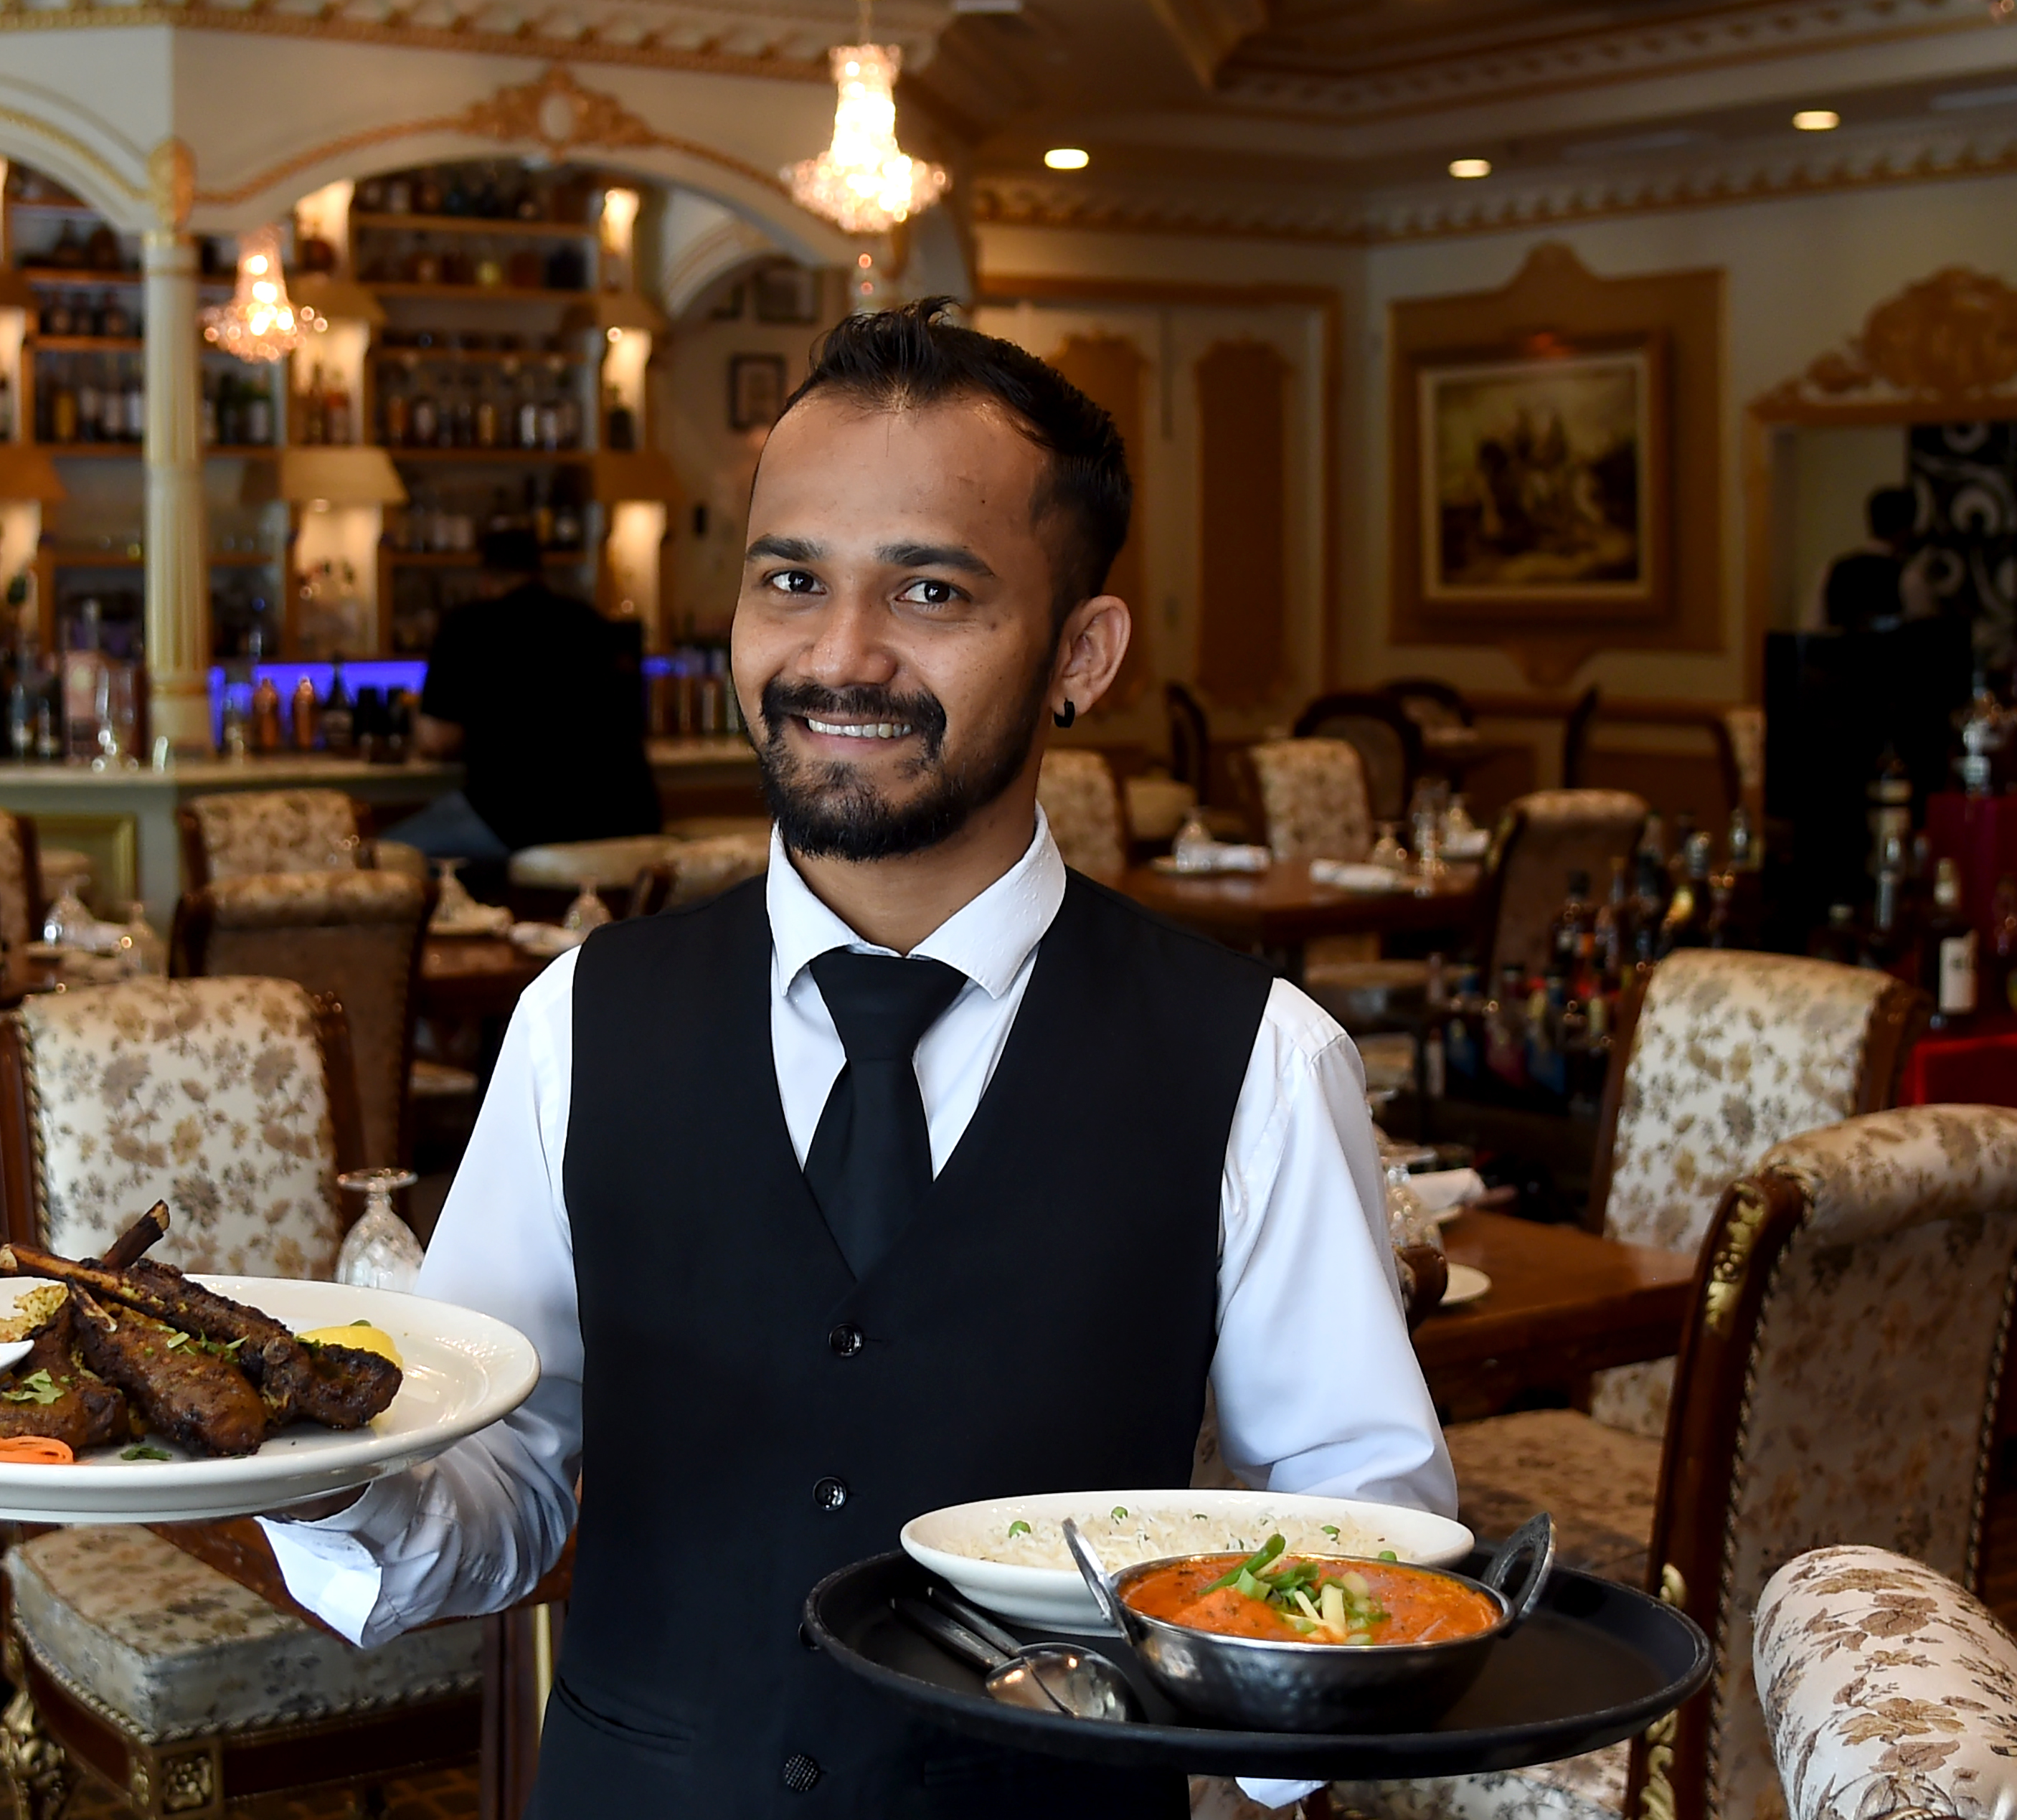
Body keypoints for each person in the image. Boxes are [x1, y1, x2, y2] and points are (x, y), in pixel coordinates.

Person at [261, 300, 1450, 1817]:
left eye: (932, 591)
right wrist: (321, 1459)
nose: (839, 656)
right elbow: (499, 1492)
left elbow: (1359, 1532)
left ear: (1083, 653)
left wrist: (1188, 1690)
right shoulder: (581, 1017)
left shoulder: (1260, 1063)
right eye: (791, 580)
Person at [392, 526, 661, 862]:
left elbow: (437, 740)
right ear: (540, 574)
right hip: (627, 818)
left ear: (485, 579)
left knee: (386, 857)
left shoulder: (468, 625)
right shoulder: (591, 623)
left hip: (521, 821)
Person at [1814, 485, 1935, 635]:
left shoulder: (1833, 569)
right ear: (1907, 528)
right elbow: (1925, 633)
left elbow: (1815, 628)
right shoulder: (1909, 576)